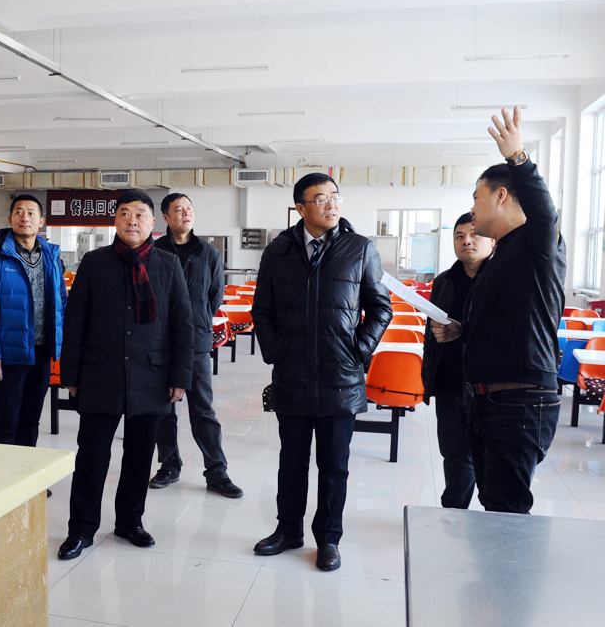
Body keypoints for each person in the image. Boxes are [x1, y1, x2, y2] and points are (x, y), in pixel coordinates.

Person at [251, 173, 391, 572]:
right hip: (292, 375)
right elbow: (262, 309)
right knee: (291, 462)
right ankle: (287, 531)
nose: (331, 204)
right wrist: (275, 352)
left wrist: (356, 352)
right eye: (320, 198)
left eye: (335, 197)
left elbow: (380, 308)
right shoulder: (278, 251)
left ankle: (328, 539)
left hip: (340, 378)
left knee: (333, 467)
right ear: (300, 208)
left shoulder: (359, 248)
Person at [431, 106, 566, 514]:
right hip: (487, 400)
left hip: (519, 401)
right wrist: (463, 330)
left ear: (501, 195)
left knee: (507, 511)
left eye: (477, 197)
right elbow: (504, 320)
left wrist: (518, 159)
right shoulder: (498, 258)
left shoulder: (535, 243)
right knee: (493, 504)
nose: (472, 209)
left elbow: (545, 213)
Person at [57, 190, 194, 560]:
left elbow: (183, 324)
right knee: (92, 457)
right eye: (125, 213)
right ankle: (81, 528)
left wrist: (180, 377)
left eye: (140, 214)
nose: (132, 220)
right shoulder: (94, 262)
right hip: (99, 373)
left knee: (139, 456)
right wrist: (70, 374)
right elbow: (75, 320)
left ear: (153, 222)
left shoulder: (167, 264)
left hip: (151, 375)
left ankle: (130, 522)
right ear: (115, 220)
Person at [148, 193, 242, 498]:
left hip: (196, 343)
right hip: (161, 343)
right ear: (166, 218)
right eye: (178, 209)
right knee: (164, 410)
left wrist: (196, 320)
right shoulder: (153, 251)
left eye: (189, 208)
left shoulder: (208, 253)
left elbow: (215, 295)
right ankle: (169, 466)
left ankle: (217, 472)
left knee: (203, 411)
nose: (185, 213)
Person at [0, 194, 67, 448]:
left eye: (31, 213)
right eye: (19, 212)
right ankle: (2, 472)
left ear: (41, 221)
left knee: (31, 421)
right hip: (8, 355)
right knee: (6, 422)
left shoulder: (52, 258)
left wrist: (62, 349)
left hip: (42, 353)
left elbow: (62, 304)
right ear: (10, 219)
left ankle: (28, 473)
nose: (25, 217)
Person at [421, 213, 494, 509]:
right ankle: (452, 516)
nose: (466, 241)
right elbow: (432, 335)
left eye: (474, 234)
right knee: (453, 456)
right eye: (459, 236)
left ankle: (492, 520)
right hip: (450, 384)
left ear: (492, 241)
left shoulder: (501, 278)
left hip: (489, 387)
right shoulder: (444, 281)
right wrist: (429, 380)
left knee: (490, 461)